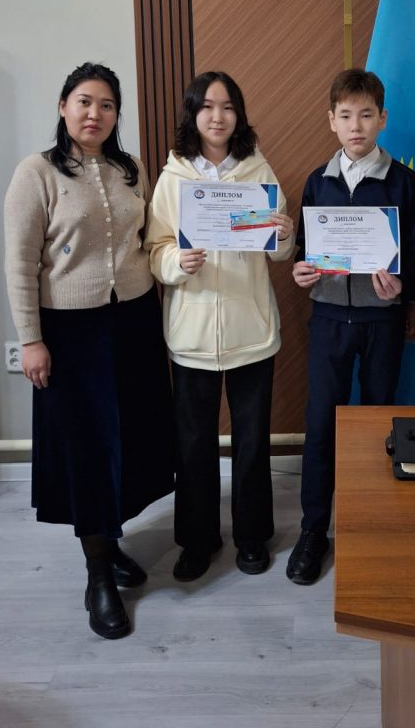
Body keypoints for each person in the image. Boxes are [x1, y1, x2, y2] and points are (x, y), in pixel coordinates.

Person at [3, 62, 174, 641]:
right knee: (87, 447)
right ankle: (97, 574)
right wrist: (31, 339)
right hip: (69, 332)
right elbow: (19, 263)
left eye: (106, 104)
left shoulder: (131, 169)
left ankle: (111, 540)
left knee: (129, 436)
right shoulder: (37, 173)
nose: (94, 114)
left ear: (116, 114)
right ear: (63, 107)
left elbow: (148, 240)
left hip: (133, 321)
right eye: (84, 101)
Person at [144, 72, 294, 582]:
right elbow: (155, 248)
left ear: (239, 115)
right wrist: (175, 262)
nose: (217, 116)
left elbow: (278, 251)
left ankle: (252, 537)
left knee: (252, 442)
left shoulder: (258, 170)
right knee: (193, 444)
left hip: (251, 329)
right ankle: (197, 540)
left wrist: (284, 235)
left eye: (228, 107)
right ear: (193, 114)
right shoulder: (173, 178)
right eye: (207, 106)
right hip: (191, 333)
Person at [288, 69, 415, 585]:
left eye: (366, 114)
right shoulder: (317, 182)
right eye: (345, 115)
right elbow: (306, 252)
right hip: (328, 319)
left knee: (377, 422)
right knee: (322, 424)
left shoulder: (403, 182)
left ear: (382, 119)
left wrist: (403, 287)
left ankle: (372, 524)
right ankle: (313, 530)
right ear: (331, 121)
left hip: (382, 321)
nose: (356, 125)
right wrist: (301, 271)